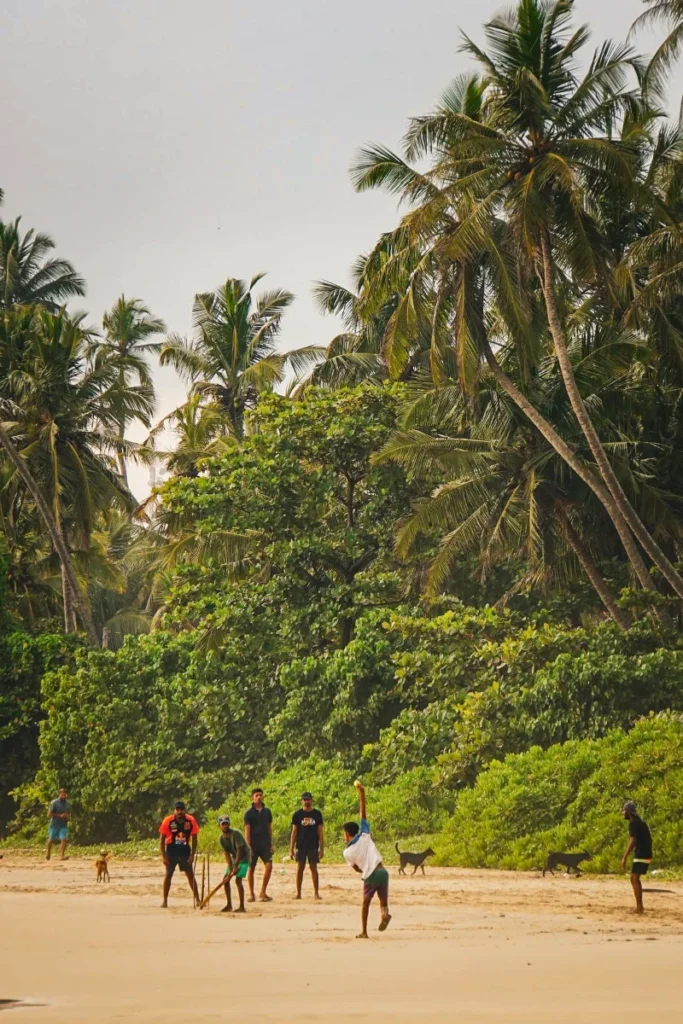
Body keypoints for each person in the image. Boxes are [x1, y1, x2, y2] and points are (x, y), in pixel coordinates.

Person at [342, 781, 391, 938]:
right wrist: (361, 792)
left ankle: (364, 931)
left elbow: (356, 868)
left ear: (347, 834)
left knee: (366, 903)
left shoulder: (347, 852)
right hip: (383, 871)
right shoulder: (364, 833)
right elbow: (363, 811)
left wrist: (364, 869)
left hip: (370, 875)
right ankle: (384, 914)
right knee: (383, 901)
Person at [159, 800, 200, 908]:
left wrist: (192, 854)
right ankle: (165, 901)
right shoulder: (168, 821)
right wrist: (163, 856)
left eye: (181, 809)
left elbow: (195, 838)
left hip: (185, 851)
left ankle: (198, 899)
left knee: (190, 876)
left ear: (184, 810)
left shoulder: (190, 820)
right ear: (174, 810)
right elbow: (162, 840)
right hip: (171, 851)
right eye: (178, 810)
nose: (179, 812)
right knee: (168, 876)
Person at [290, 792, 324, 900]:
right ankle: (298, 893)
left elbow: (320, 832)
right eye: (305, 799)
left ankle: (316, 893)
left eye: (308, 799)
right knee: (300, 868)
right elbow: (294, 832)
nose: (306, 801)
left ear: (311, 800)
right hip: (301, 845)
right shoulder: (297, 815)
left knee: (313, 868)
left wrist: (322, 848)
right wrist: (291, 849)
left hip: (313, 845)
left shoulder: (317, 814)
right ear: (302, 801)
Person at [621, 800, 653, 914]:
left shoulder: (633, 823)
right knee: (634, 878)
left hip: (642, 853)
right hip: (646, 852)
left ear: (628, 812)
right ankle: (639, 906)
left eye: (624, 811)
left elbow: (632, 841)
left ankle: (639, 907)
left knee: (634, 878)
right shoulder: (640, 822)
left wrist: (624, 857)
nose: (623, 813)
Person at [244, 787, 274, 902]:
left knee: (269, 866)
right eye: (256, 795)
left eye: (260, 795)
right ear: (252, 797)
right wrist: (248, 847)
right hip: (253, 845)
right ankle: (251, 894)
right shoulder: (248, 813)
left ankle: (263, 891)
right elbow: (247, 830)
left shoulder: (267, 812)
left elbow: (269, 828)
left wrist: (271, 844)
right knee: (251, 868)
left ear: (263, 797)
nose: (259, 797)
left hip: (265, 844)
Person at [218, 815, 249, 913]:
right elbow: (227, 853)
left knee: (238, 880)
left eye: (226, 823)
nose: (225, 826)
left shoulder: (236, 834)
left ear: (229, 824)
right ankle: (229, 904)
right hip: (234, 858)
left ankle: (242, 906)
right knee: (225, 880)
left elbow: (240, 850)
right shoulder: (221, 838)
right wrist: (230, 867)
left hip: (244, 857)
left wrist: (236, 866)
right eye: (223, 824)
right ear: (219, 826)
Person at [46, 788, 71, 861]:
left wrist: (67, 817)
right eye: (62, 795)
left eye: (65, 795)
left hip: (63, 824)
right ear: (59, 794)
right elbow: (49, 814)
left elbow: (69, 813)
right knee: (51, 839)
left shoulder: (67, 803)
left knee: (63, 839)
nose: (63, 796)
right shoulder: (54, 803)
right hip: (54, 824)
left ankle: (62, 856)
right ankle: (48, 852)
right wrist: (60, 816)